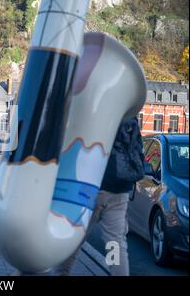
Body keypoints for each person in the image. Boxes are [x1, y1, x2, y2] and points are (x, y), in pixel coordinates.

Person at [55, 117, 145, 276]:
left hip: (90, 187)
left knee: (74, 238)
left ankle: (61, 273)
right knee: (115, 243)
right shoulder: (130, 115)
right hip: (119, 189)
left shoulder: (99, 104)